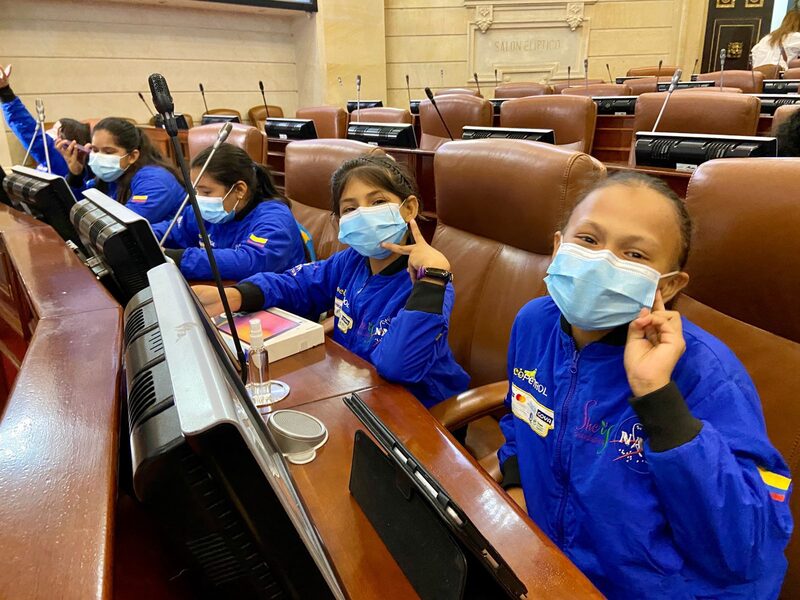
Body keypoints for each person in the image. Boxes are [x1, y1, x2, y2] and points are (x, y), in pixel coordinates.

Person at [498, 173, 792, 599]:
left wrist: (658, 398)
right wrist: (515, 487)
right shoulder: (533, 323)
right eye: (588, 240)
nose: (601, 262)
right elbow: (521, 416)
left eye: (633, 254)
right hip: (550, 571)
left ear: (668, 285)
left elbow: (746, 549)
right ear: (558, 247)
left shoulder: (707, 373)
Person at [193, 154, 469, 408]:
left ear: (408, 208)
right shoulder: (351, 261)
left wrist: (432, 279)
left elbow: (399, 367)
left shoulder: (429, 284)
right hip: (357, 389)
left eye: (377, 203)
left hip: (418, 409)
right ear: (339, 222)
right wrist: (236, 296)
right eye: (350, 209)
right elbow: (297, 285)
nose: (363, 215)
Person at [151, 143, 312, 281]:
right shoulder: (204, 211)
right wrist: (144, 237)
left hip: (278, 302)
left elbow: (250, 262)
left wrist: (179, 258)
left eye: (206, 192)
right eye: (195, 191)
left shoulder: (274, 217)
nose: (199, 199)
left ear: (239, 189)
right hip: (229, 293)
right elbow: (173, 230)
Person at [56, 117, 184, 224]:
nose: (99, 156)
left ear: (132, 156)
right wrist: (76, 176)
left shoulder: (155, 181)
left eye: (108, 152)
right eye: (95, 150)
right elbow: (80, 207)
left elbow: (123, 225)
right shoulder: (114, 175)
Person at [0, 63, 90, 178]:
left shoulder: (60, 160)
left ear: (68, 143)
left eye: (55, 130)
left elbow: (27, 129)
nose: (48, 132)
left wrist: (6, 93)